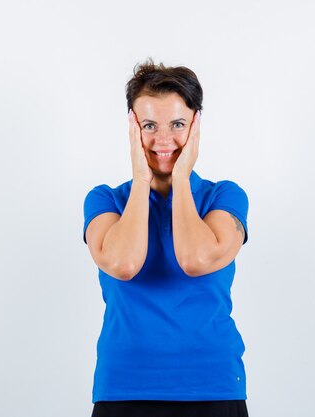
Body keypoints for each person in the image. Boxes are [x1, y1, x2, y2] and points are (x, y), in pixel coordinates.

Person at [83, 59, 250, 417]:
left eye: (177, 124)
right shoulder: (105, 201)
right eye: (149, 125)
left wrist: (181, 180)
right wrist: (141, 180)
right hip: (124, 390)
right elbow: (124, 264)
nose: (163, 140)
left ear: (196, 126)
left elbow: (196, 260)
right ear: (132, 128)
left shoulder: (224, 197)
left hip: (213, 388)